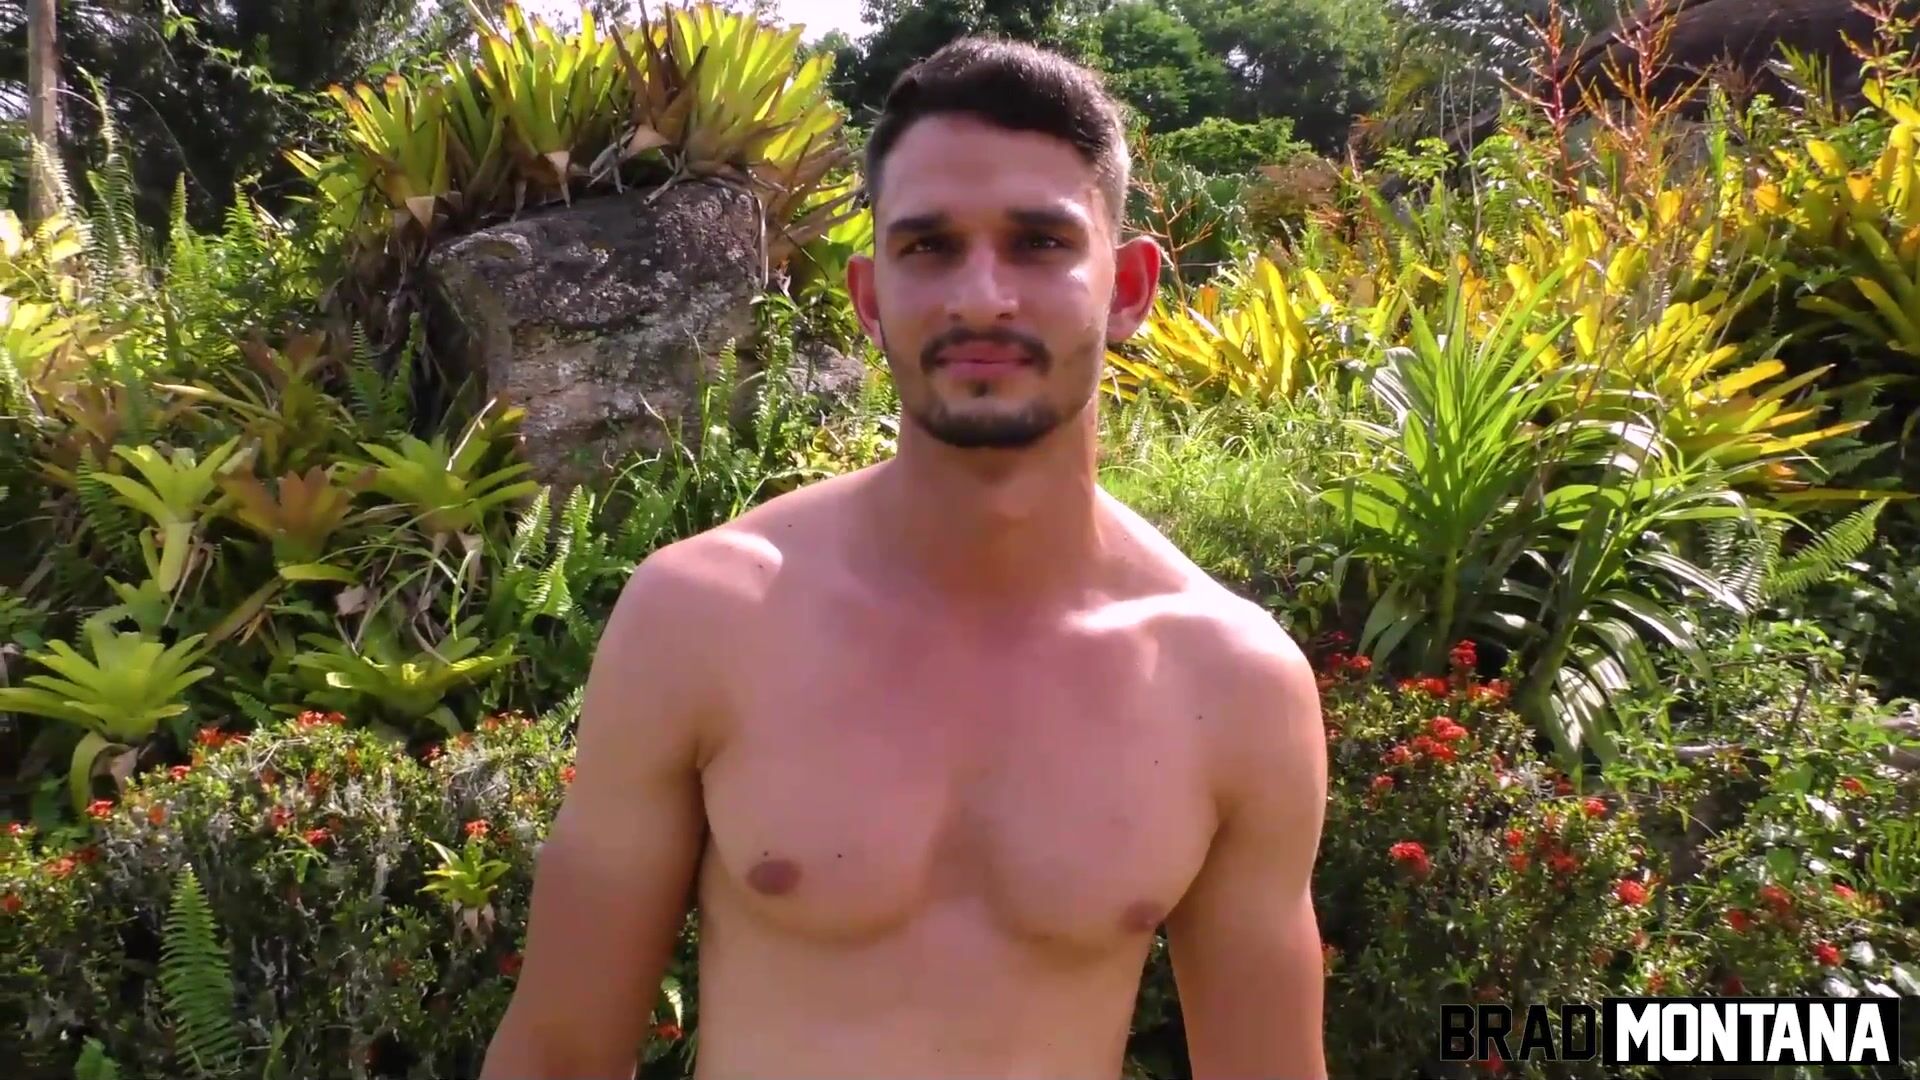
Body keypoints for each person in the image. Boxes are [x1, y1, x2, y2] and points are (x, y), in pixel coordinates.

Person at [479, 35, 1329, 1080]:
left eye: (1039, 242)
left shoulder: (1233, 685)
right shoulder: (704, 619)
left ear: (1129, 288)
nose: (981, 297)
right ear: (871, 295)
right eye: (928, 247)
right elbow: (560, 1051)